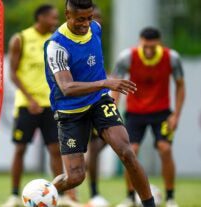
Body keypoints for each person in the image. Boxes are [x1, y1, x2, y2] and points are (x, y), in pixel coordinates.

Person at [44, 0, 156, 207]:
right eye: (80, 19)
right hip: (70, 110)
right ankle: (42, 194)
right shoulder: (56, 46)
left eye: (89, 18)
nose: (86, 24)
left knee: (127, 152)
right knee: (75, 177)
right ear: (67, 14)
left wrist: (103, 87)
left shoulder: (95, 28)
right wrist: (105, 82)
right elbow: (66, 87)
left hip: (98, 101)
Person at [2, 4, 80, 207]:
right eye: (53, 18)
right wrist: (30, 98)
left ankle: (60, 195)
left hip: (51, 105)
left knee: (55, 150)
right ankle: (13, 195)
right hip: (27, 105)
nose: (56, 22)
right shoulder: (21, 39)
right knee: (20, 149)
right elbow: (12, 73)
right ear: (41, 17)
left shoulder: (57, 40)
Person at [113, 27, 185, 207]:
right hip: (135, 113)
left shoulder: (172, 58)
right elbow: (115, 85)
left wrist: (176, 114)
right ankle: (130, 198)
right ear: (140, 42)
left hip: (161, 113)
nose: (149, 50)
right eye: (146, 46)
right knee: (130, 152)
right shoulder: (127, 57)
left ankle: (170, 198)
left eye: (153, 46)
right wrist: (113, 109)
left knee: (165, 149)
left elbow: (180, 86)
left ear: (159, 43)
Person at [85, 4, 110, 207]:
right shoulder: (72, 38)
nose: (97, 20)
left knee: (115, 139)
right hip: (78, 101)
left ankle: (94, 193)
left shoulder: (97, 37)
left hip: (97, 99)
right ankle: (91, 192)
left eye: (99, 17)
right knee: (90, 148)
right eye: (94, 17)